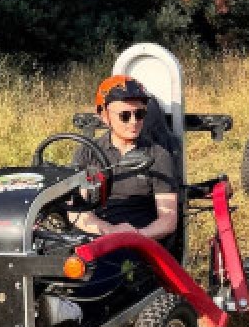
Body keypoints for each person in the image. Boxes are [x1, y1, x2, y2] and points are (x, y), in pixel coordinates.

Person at [70, 75, 180, 245]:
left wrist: (135, 236)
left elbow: (168, 220)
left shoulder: (158, 155)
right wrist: (108, 230)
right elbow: (77, 213)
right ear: (104, 116)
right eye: (125, 116)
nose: (134, 122)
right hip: (96, 238)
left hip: (140, 241)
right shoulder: (87, 153)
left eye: (140, 114)